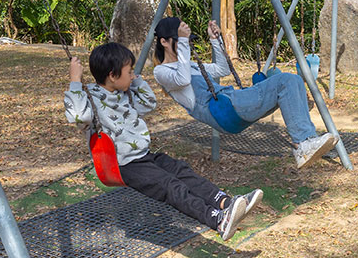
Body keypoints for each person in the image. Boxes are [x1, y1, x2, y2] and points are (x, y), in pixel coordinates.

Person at [65, 41, 263, 241]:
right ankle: (217, 220)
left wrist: (136, 81)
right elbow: (78, 117)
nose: (133, 75)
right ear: (112, 75)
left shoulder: (123, 92)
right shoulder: (88, 97)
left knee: (181, 170)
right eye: (129, 72)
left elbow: (149, 103)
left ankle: (225, 203)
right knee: (169, 185)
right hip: (123, 165)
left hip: (144, 156)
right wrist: (75, 80)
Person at [151, 16, 338, 169]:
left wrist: (216, 41)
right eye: (182, 41)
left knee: (292, 80)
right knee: (286, 81)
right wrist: (183, 41)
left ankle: (304, 140)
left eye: (189, 42)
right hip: (223, 111)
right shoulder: (161, 72)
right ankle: (303, 143)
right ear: (164, 42)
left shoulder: (189, 64)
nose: (188, 46)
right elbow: (183, 79)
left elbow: (222, 69)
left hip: (231, 103)